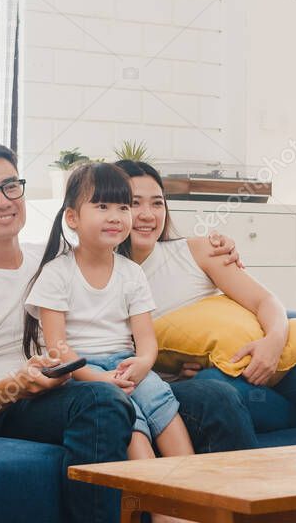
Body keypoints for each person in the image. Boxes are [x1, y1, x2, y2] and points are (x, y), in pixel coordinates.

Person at [0, 140, 254, 523]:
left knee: (214, 395)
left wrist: (213, 244)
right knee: (102, 400)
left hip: (93, 377)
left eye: (11, 186)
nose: (3, 201)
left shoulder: (53, 255)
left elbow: (123, 242)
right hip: (24, 402)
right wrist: (17, 384)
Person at [114, 159, 296, 440]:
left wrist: (273, 342)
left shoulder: (199, 251)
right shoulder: (104, 276)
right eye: (134, 203)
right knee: (216, 390)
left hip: (268, 360)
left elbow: (265, 301)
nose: (148, 214)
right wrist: (171, 372)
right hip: (216, 378)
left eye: (157, 202)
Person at [25, 163, 196, 523]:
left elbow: (145, 341)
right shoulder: (57, 274)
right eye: (102, 207)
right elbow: (58, 349)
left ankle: (193, 499)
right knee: (128, 421)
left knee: (165, 409)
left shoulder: (131, 273)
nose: (116, 216)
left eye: (122, 207)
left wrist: (143, 364)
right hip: (81, 372)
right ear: (72, 217)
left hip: (126, 363)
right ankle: (165, 512)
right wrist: (100, 378)